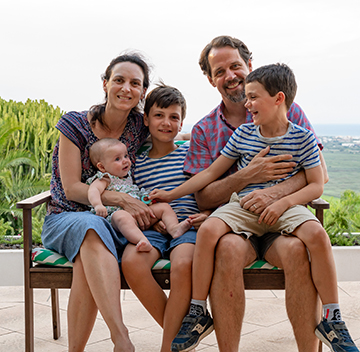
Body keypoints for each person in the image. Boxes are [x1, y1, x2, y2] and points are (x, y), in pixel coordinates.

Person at [151, 63, 359, 352]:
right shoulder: (242, 134)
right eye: (246, 97)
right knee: (211, 228)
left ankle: (333, 318)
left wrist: (282, 200)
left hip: (283, 208)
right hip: (245, 207)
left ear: (279, 99)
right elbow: (209, 175)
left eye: (253, 97)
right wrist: (170, 195)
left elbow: (316, 183)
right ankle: (197, 312)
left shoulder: (302, 136)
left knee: (317, 235)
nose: (247, 104)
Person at [181, 35, 326, 352]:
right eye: (219, 71)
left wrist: (274, 193)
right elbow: (203, 197)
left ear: (249, 64)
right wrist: (246, 176)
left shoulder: (286, 110)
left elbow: (318, 174)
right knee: (228, 249)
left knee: (298, 252)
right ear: (210, 79)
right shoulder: (205, 129)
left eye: (235, 65)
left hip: (282, 220)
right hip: (237, 223)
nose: (230, 76)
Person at [41, 52, 154, 352]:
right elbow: (73, 188)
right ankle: (121, 338)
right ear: (105, 84)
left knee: (85, 263)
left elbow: (170, 135)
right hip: (65, 217)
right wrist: (118, 198)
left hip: (113, 224)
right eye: (119, 80)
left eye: (135, 83)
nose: (126, 88)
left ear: (143, 92)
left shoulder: (140, 128)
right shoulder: (74, 125)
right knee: (90, 227)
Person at [121, 84, 211, 352]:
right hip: (150, 228)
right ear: (146, 119)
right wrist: (148, 216)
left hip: (188, 226)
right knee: (132, 262)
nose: (166, 123)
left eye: (174, 117)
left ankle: (167, 347)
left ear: (181, 121)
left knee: (183, 264)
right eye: (159, 115)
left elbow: (207, 191)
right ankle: (182, 339)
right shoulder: (134, 162)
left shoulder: (189, 154)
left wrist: (206, 215)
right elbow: (129, 196)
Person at [87, 138, 191, 251]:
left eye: (126, 156)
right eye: (117, 159)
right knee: (121, 216)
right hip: (116, 218)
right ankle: (142, 240)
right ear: (102, 167)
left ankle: (173, 228)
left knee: (164, 207)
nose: (125, 161)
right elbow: (93, 190)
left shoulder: (127, 177)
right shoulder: (106, 178)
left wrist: (146, 198)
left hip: (139, 215)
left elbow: (133, 194)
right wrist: (98, 205)